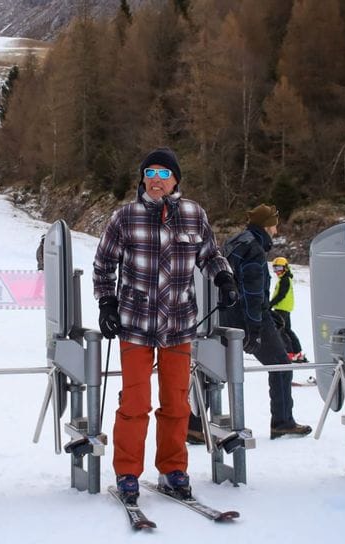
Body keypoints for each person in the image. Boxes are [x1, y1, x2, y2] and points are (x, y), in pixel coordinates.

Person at [93, 147, 238, 503]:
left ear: (175, 180)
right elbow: (104, 264)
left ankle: (173, 469)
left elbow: (210, 255)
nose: (156, 180)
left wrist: (224, 279)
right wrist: (107, 302)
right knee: (135, 403)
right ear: (142, 179)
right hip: (135, 323)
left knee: (176, 403)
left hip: (179, 324)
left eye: (163, 174)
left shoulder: (193, 215)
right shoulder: (125, 217)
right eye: (150, 173)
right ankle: (128, 473)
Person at [219, 204, 311, 439]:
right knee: (281, 365)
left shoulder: (236, 241)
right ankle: (283, 421)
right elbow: (252, 292)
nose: (276, 231)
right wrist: (255, 327)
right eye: (274, 226)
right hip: (248, 317)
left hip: (225, 314)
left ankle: (194, 424)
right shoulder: (254, 249)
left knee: (214, 368)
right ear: (266, 226)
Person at [270, 257, 306, 362]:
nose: (277, 271)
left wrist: (270, 304)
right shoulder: (284, 279)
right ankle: (297, 352)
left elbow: (281, 295)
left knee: (282, 331)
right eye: (275, 269)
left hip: (282, 308)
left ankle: (290, 352)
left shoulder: (285, 280)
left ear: (285, 267)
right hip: (283, 308)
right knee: (287, 330)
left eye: (279, 268)